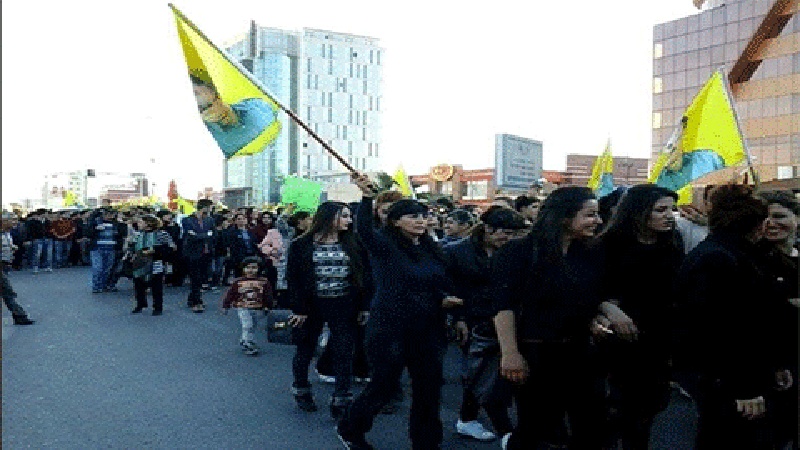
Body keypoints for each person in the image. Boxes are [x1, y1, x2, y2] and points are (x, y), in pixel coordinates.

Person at [337, 173, 462, 450]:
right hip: (390, 328)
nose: (420, 221)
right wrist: (367, 197)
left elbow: (439, 283)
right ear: (395, 221)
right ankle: (350, 428)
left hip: (429, 329)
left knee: (428, 391)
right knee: (383, 386)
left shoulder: (433, 249)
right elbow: (364, 231)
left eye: (423, 215)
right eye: (411, 216)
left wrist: (446, 300)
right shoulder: (384, 246)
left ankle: (427, 443)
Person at [672, 184, 791, 449]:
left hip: (741, 377)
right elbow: (723, 331)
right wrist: (744, 388)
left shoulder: (739, 255)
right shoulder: (718, 260)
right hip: (728, 384)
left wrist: (774, 366)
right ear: (755, 224)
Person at [491, 187, 609, 449]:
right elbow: (504, 305)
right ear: (564, 217)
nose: (598, 221)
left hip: (581, 352)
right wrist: (510, 354)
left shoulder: (590, 253)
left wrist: (601, 317)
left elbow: (590, 298)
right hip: (536, 352)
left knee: (591, 426)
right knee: (537, 429)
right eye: (590, 215)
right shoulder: (519, 252)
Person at [593, 185, 683, 449]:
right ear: (639, 212)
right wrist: (607, 308)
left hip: (659, 338)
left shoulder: (672, 241)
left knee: (652, 405)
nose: (669, 215)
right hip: (618, 339)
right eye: (661, 209)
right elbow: (588, 288)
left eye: (672, 209)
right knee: (622, 411)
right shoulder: (608, 244)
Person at [445, 207, 527, 442]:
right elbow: (448, 286)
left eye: (513, 234)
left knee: (486, 374)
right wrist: (458, 318)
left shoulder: (515, 252)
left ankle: (467, 418)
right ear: (488, 230)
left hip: (504, 318)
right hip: (472, 319)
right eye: (505, 233)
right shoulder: (457, 252)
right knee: (482, 372)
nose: (508, 239)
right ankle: (506, 432)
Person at [286, 202, 369, 419]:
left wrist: (363, 306)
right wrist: (299, 308)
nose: (348, 221)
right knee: (305, 349)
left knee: (344, 350)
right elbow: (293, 279)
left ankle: (342, 396)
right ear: (329, 217)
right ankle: (301, 389)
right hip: (311, 306)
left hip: (344, 304)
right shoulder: (301, 244)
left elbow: (363, 276)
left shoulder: (353, 242)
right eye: (344, 216)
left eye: (350, 217)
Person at [757, 190, 798, 449]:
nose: (771, 223)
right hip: (775, 363)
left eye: (779, 216)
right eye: (764, 217)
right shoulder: (754, 260)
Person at [190, 74, 279, 158]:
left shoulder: (258, 109)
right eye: (200, 109)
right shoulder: (212, 144)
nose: (212, 112)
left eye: (195, 93)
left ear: (209, 88)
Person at [222, 256, 274, 356]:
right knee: (247, 325)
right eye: (248, 267)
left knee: (253, 325)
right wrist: (226, 305)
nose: (251, 270)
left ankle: (244, 339)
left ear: (259, 269)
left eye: (254, 267)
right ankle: (248, 343)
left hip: (258, 307)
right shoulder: (238, 282)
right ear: (243, 269)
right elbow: (231, 294)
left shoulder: (264, 282)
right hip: (242, 307)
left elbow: (268, 295)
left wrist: (268, 306)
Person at [128, 215, 176, 316]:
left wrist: (155, 250)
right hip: (139, 262)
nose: (138, 224)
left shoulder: (162, 234)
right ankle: (140, 304)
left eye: (141, 222)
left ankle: (158, 307)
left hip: (155, 262)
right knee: (139, 284)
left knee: (156, 286)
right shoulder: (137, 234)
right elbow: (132, 247)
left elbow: (171, 247)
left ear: (149, 223)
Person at [182, 199, 216, 313]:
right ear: (204, 208)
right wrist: (206, 235)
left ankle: (193, 298)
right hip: (192, 253)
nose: (212, 210)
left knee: (201, 278)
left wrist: (201, 235)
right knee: (195, 277)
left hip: (206, 252)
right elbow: (191, 236)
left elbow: (213, 234)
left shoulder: (210, 220)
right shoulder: (187, 220)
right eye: (210, 208)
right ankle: (197, 302)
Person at [1, 214, 34, 325]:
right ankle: (20, 315)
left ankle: (19, 315)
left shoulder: (7, 234)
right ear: (4, 221)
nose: (14, 222)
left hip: (5, 265)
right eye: (12, 220)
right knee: (8, 292)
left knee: (7, 292)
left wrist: (12, 248)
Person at [86, 209, 122, 294]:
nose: (109, 215)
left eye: (112, 213)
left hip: (111, 248)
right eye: (107, 213)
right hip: (97, 248)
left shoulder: (117, 224)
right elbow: (88, 233)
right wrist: (95, 228)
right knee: (97, 268)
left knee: (107, 268)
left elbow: (121, 235)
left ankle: (103, 285)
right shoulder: (95, 222)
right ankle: (96, 286)